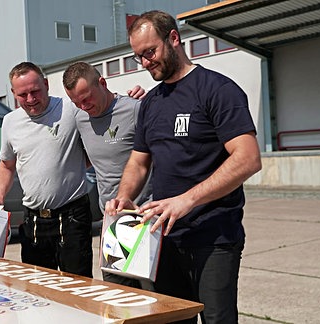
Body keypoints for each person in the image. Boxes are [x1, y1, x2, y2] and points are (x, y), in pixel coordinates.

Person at [105, 10, 262, 324]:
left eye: (150, 52)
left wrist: (186, 200)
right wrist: (124, 196)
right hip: (164, 238)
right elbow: (138, 160)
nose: (146, 62)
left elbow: (247, 158)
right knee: (171, 319)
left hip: (213, 236)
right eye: (138, 57)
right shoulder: (151, 102)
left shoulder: (217, 90)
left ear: (173, 38)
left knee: (217, 319)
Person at [0, 62, 93, 278]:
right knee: (36, 290)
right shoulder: (10, 122)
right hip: (34, 222)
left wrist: (131, 98)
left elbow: (103, 110)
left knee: (78, 288)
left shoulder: (71, 109)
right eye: (23, 95)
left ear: (46, 84)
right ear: (13, 94)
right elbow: (7, 164)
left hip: (72, 217)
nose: (30, 99)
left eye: (35, 91)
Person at [62, 61, 152, 289]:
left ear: (102, 83)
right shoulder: (81, 119)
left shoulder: (134, 109)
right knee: (118, 299)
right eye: (76, 102)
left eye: (87, 98)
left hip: (145, 220)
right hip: (111, 223)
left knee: (155, 301)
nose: (83, 106)